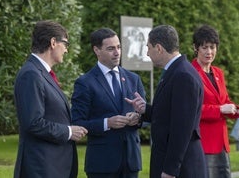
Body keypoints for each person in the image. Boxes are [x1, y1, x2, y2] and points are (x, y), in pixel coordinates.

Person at [125, 25, 208, 178]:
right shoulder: (176, 71)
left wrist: (170, 170)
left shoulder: (183, 75)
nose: (147, 53)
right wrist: (146, 110)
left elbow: (182, 130)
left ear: (159, 48)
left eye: (148, 48)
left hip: (181, 168)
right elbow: (171, 115)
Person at [13, 20, 88, 178]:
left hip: (53, 166)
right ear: (53, 42)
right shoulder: (31, 74)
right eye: (66, 43)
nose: (66, 50)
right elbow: (33, 123)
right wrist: (68, 131)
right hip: (42, 168)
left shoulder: (41, 73)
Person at [71, 28, 146, 178]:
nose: (117, 52)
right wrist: (107, 123)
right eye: (111, 48)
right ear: (96, 50)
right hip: (102, 164)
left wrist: (138, 118)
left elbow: (146, 117)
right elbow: (77, 122)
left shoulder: (133, 79)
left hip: (131, 162)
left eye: (119, 47)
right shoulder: (85, 83)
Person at [191, 24, 239, 178]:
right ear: (195, 48)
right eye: (204, 47)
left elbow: (224, 101)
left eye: (212, 47)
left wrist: (238, 110)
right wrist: (220, 110)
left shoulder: (218, 72)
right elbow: (192, 110)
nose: (209, 52)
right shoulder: (190, 73)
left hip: (222, 144)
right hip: (204, 144)